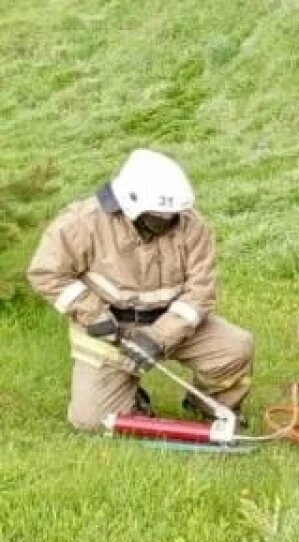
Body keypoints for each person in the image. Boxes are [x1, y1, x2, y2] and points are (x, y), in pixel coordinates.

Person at [27, 149, 254, 430]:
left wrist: (158, 338)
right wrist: (92, 314)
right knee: (90, 421)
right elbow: (45, 272)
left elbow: (200, 293)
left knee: (235, 347)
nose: (169, 221)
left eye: (173, 215)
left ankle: (210, 406)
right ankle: (132, 400)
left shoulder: (193, 227)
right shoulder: (82, 222)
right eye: (159, 217)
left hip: (174, 325)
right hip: (108, 329)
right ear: (129, 206)